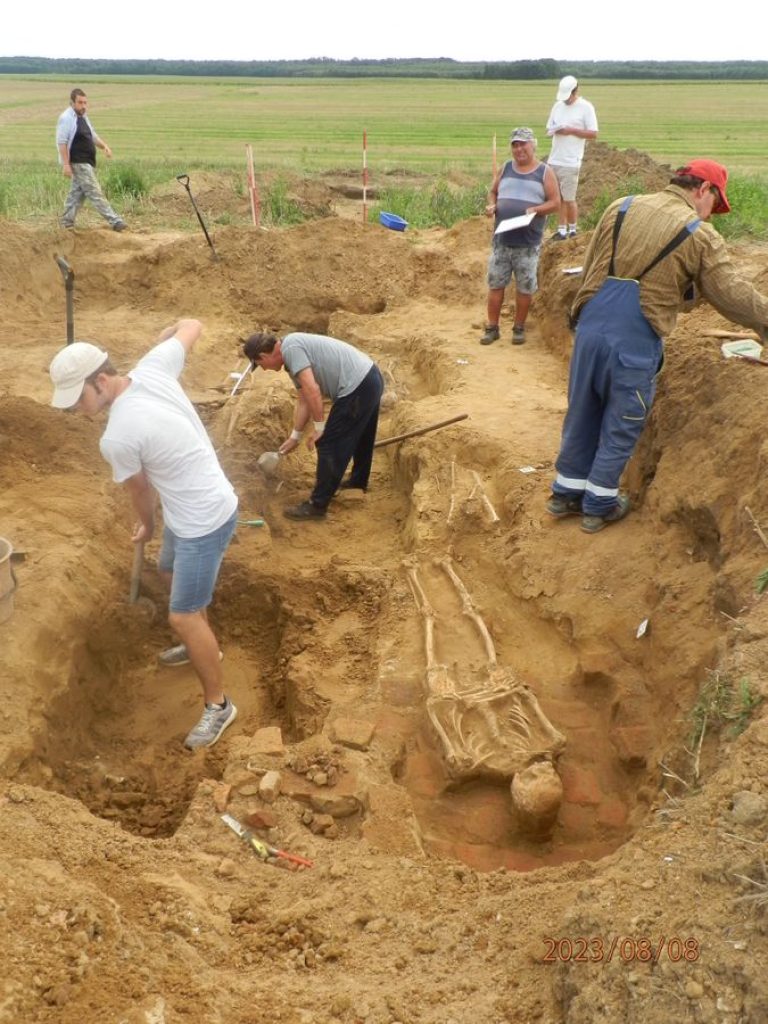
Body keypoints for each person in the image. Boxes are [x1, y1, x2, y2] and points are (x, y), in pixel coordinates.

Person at [548, 159, 768, 534]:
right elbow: (730, 295)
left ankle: (566, 492)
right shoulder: (698, 233)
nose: (712, 215)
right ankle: (599, 503)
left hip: (590, 324)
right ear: (703, 190)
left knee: (583, 407)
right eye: (715, 204)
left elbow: (591, 267)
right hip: (634, 336)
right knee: (623, 419)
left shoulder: (621, 206)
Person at [49, 320, 239, 749]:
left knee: (182, 615)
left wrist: (147, 526)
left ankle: (219, 705)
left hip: (202, 520)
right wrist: (168, 334)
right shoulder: (153, 367)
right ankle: (204, 648)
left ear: (101, 380)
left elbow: (140, 491)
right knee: (168, 570)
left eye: (78, 399)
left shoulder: (118, 435)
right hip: (197, 505)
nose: (76, 411)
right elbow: (192, 326)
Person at [243, 331, 384, 521]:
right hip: (369, 377)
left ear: (264, 356)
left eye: (261, 365)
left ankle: (317, 506)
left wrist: (319, 429)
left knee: (327, 443)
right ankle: (358, 482)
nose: (265, 370)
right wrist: (295, 436)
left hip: (357, 385)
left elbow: (313, 389)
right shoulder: (291, 354)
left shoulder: (291, 349)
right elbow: (304, 401)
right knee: (361, 434)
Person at [481, 127, 560, 346]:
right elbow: (493, 192)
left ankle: (518, 328)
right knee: (496, 284)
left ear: (533, 145)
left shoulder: (545, 172)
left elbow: (555, 203)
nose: (519, 149)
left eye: (523, 144)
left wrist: (536, 210)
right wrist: (492, 205)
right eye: (515, 145)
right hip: (502, 241)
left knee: (525, 287)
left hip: (527, 242)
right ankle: (492, 327)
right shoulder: (506, 168)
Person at [56, 88, 126, 231]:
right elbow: (61, 142)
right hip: (78, 161)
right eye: (80, 103)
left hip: (87, 161)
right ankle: (115, 221)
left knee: (77, 193)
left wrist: (104, 146)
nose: (83, 106)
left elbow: (92, 135)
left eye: (85, 103)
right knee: (95, 192)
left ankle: (66, 222)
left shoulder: (82, 116)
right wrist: (66, 164)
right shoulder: (66, 118)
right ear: (72, 102)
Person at [546, 76, 598, 240]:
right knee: (558, 198)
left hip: (571, 160)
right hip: (555, 159)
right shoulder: (557, 106)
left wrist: (571, 131)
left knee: (569, 198)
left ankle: (573, 229)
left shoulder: (586, 108)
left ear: (576, 91)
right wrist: (556, 130)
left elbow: (593, 133)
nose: (566, 100)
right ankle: (561, 230)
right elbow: (548, 127)